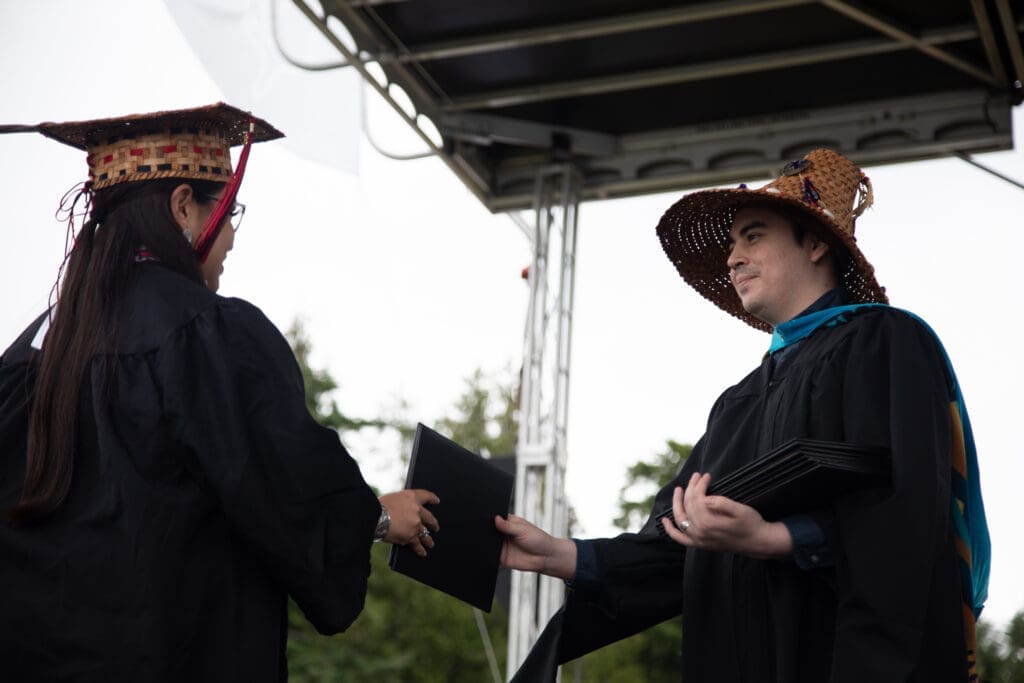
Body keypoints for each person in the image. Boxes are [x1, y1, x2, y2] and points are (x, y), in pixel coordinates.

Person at [496, 148, 990, 682]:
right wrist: (559, 554)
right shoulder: (738, 403)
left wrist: (776, 538)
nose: (732, 257)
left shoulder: (886, 343)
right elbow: (676, 541)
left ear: (818, 242)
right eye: (732, 242)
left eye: (753, 235)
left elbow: (908, 508)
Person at [0, 103, 439, 682]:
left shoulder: (32, 350)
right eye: (228, 211)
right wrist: (375, 519)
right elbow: (281, 488)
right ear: (184, 206)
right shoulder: (206, 335)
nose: (230, 235)